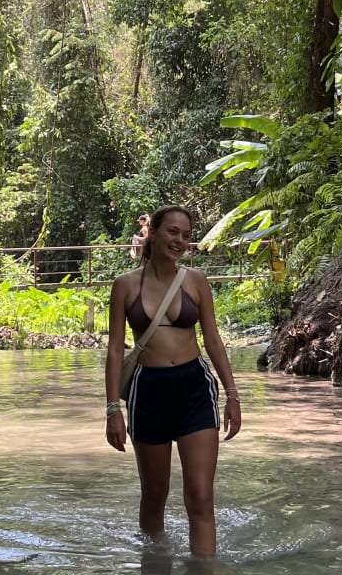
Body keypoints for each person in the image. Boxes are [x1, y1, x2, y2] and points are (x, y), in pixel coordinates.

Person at [104, 205, 242, 557]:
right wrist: (112, 410)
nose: (179, 240)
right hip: (147, 391)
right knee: (154, 494)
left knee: (200, 496)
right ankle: (154, 564)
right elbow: (116, 352)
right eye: (172, 232)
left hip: (194, 387)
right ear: (152, 233)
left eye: (185, 234)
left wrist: (233, 395)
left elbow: (213, 341)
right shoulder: (124, 286)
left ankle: (204, 569)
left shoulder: (196, 282)